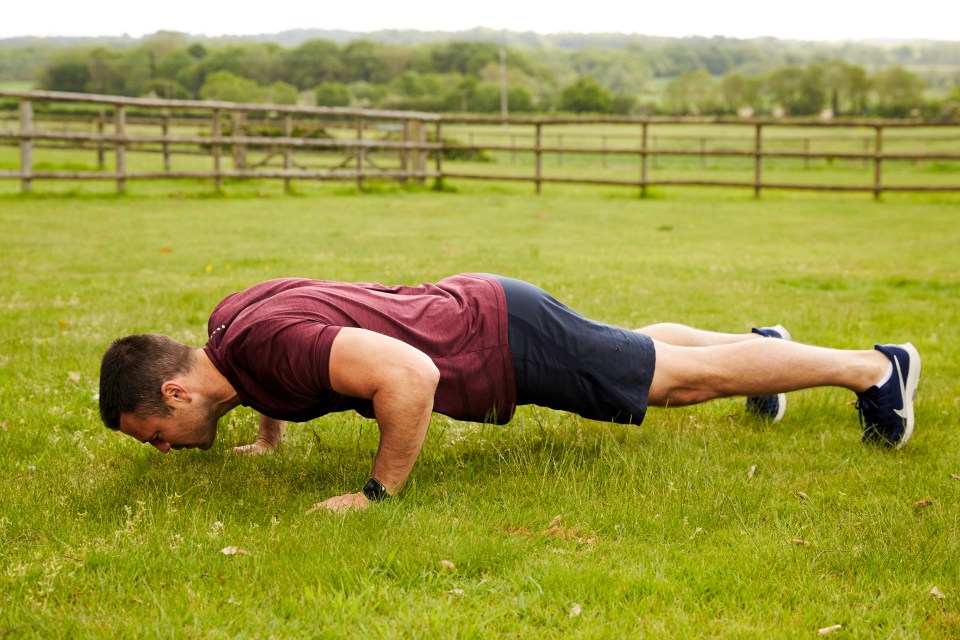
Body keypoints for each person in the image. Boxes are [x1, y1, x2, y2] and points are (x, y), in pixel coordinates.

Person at [98, 274, 920, 513]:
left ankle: (872, 370)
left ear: (174, 391)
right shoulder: (231, 335)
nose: (160, 447)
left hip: (496, 339)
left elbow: (409, 377)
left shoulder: (260, 347)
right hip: (486, 308)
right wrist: (270, 437)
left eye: (150, 433)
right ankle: (767, 354)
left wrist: (377, 494)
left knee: (669, 383)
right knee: (639, 350)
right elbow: (287, 364)